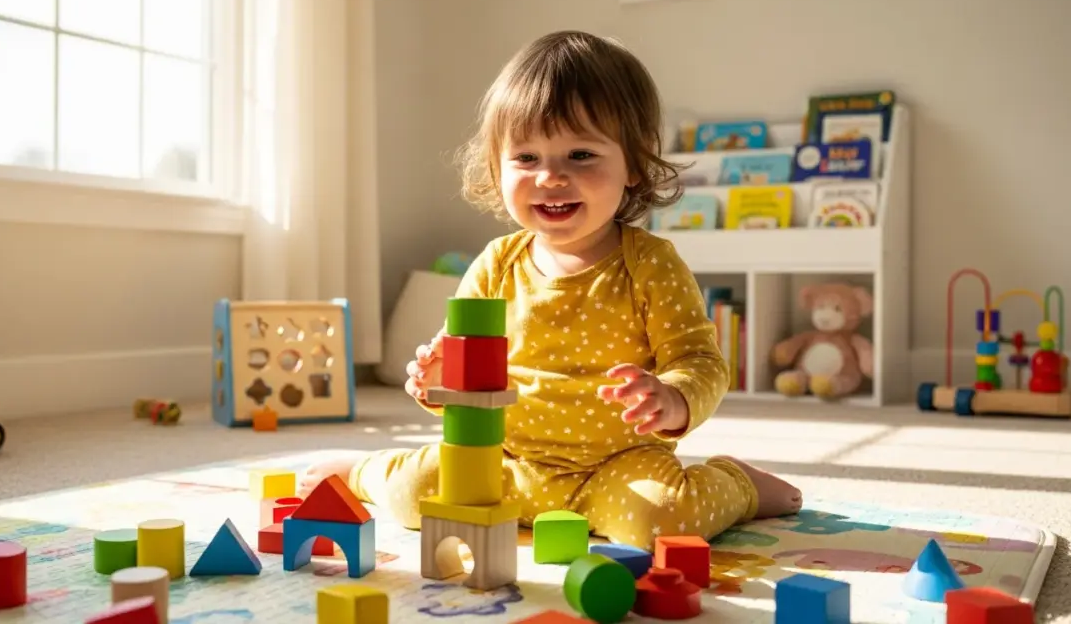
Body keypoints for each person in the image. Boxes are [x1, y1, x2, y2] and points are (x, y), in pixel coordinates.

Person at [299, 30, 802, 549]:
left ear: (633, 163)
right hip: (506, 460)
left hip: (618, 466)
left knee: (665, 521)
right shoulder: (497, 264)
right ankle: (364, 472)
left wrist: (671, 398)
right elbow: (463, 372)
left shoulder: (650, 264)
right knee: (416, 494)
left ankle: (738, 485)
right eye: (527, 158)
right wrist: (437, 379)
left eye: (581, 155)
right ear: (497, 166)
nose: (550, 177)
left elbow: (701, 360)